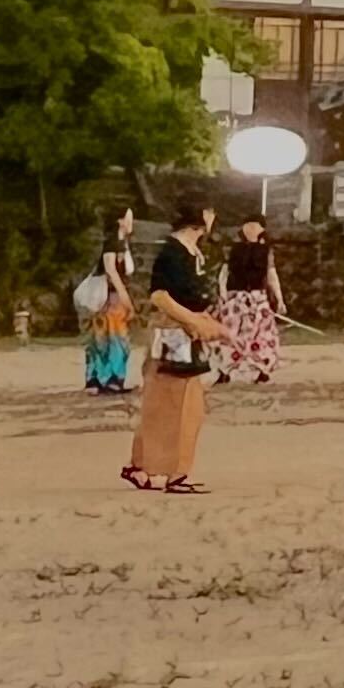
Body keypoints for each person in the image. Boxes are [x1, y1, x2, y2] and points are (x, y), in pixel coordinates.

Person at [124, 201, 224, 493]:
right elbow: (160, 296)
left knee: (166, 405)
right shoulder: (173, 252)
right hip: (173, 334)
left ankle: (143, 466)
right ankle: (172, 472)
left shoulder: (190, 252)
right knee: (176, 406)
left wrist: (205, 322)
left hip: (184, 331)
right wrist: (193, 320)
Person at [215, 217, 288, 383]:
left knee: (261, 334)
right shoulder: (234, 249)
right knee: (230, 333)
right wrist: (223, 292)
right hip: (235, 296)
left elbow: (271, 274)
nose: (250, 229)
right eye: (247, 225)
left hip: (257, 297)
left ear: (261, 229)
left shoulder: (266, 251)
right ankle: (225, 369)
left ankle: (262, 369)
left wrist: (279, 298)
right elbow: (224, 272)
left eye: (255, 226)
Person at [77, 209, 137, 396]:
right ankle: (111, 380)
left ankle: (96, 379)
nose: (131, 221)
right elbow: (111, 271)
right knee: (115, 340)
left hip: (109, 299)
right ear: (120, 221)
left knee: (102, 339)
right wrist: (125, 298)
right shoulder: (114, 243)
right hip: (111, 300)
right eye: (129, 217)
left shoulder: (120, 243)